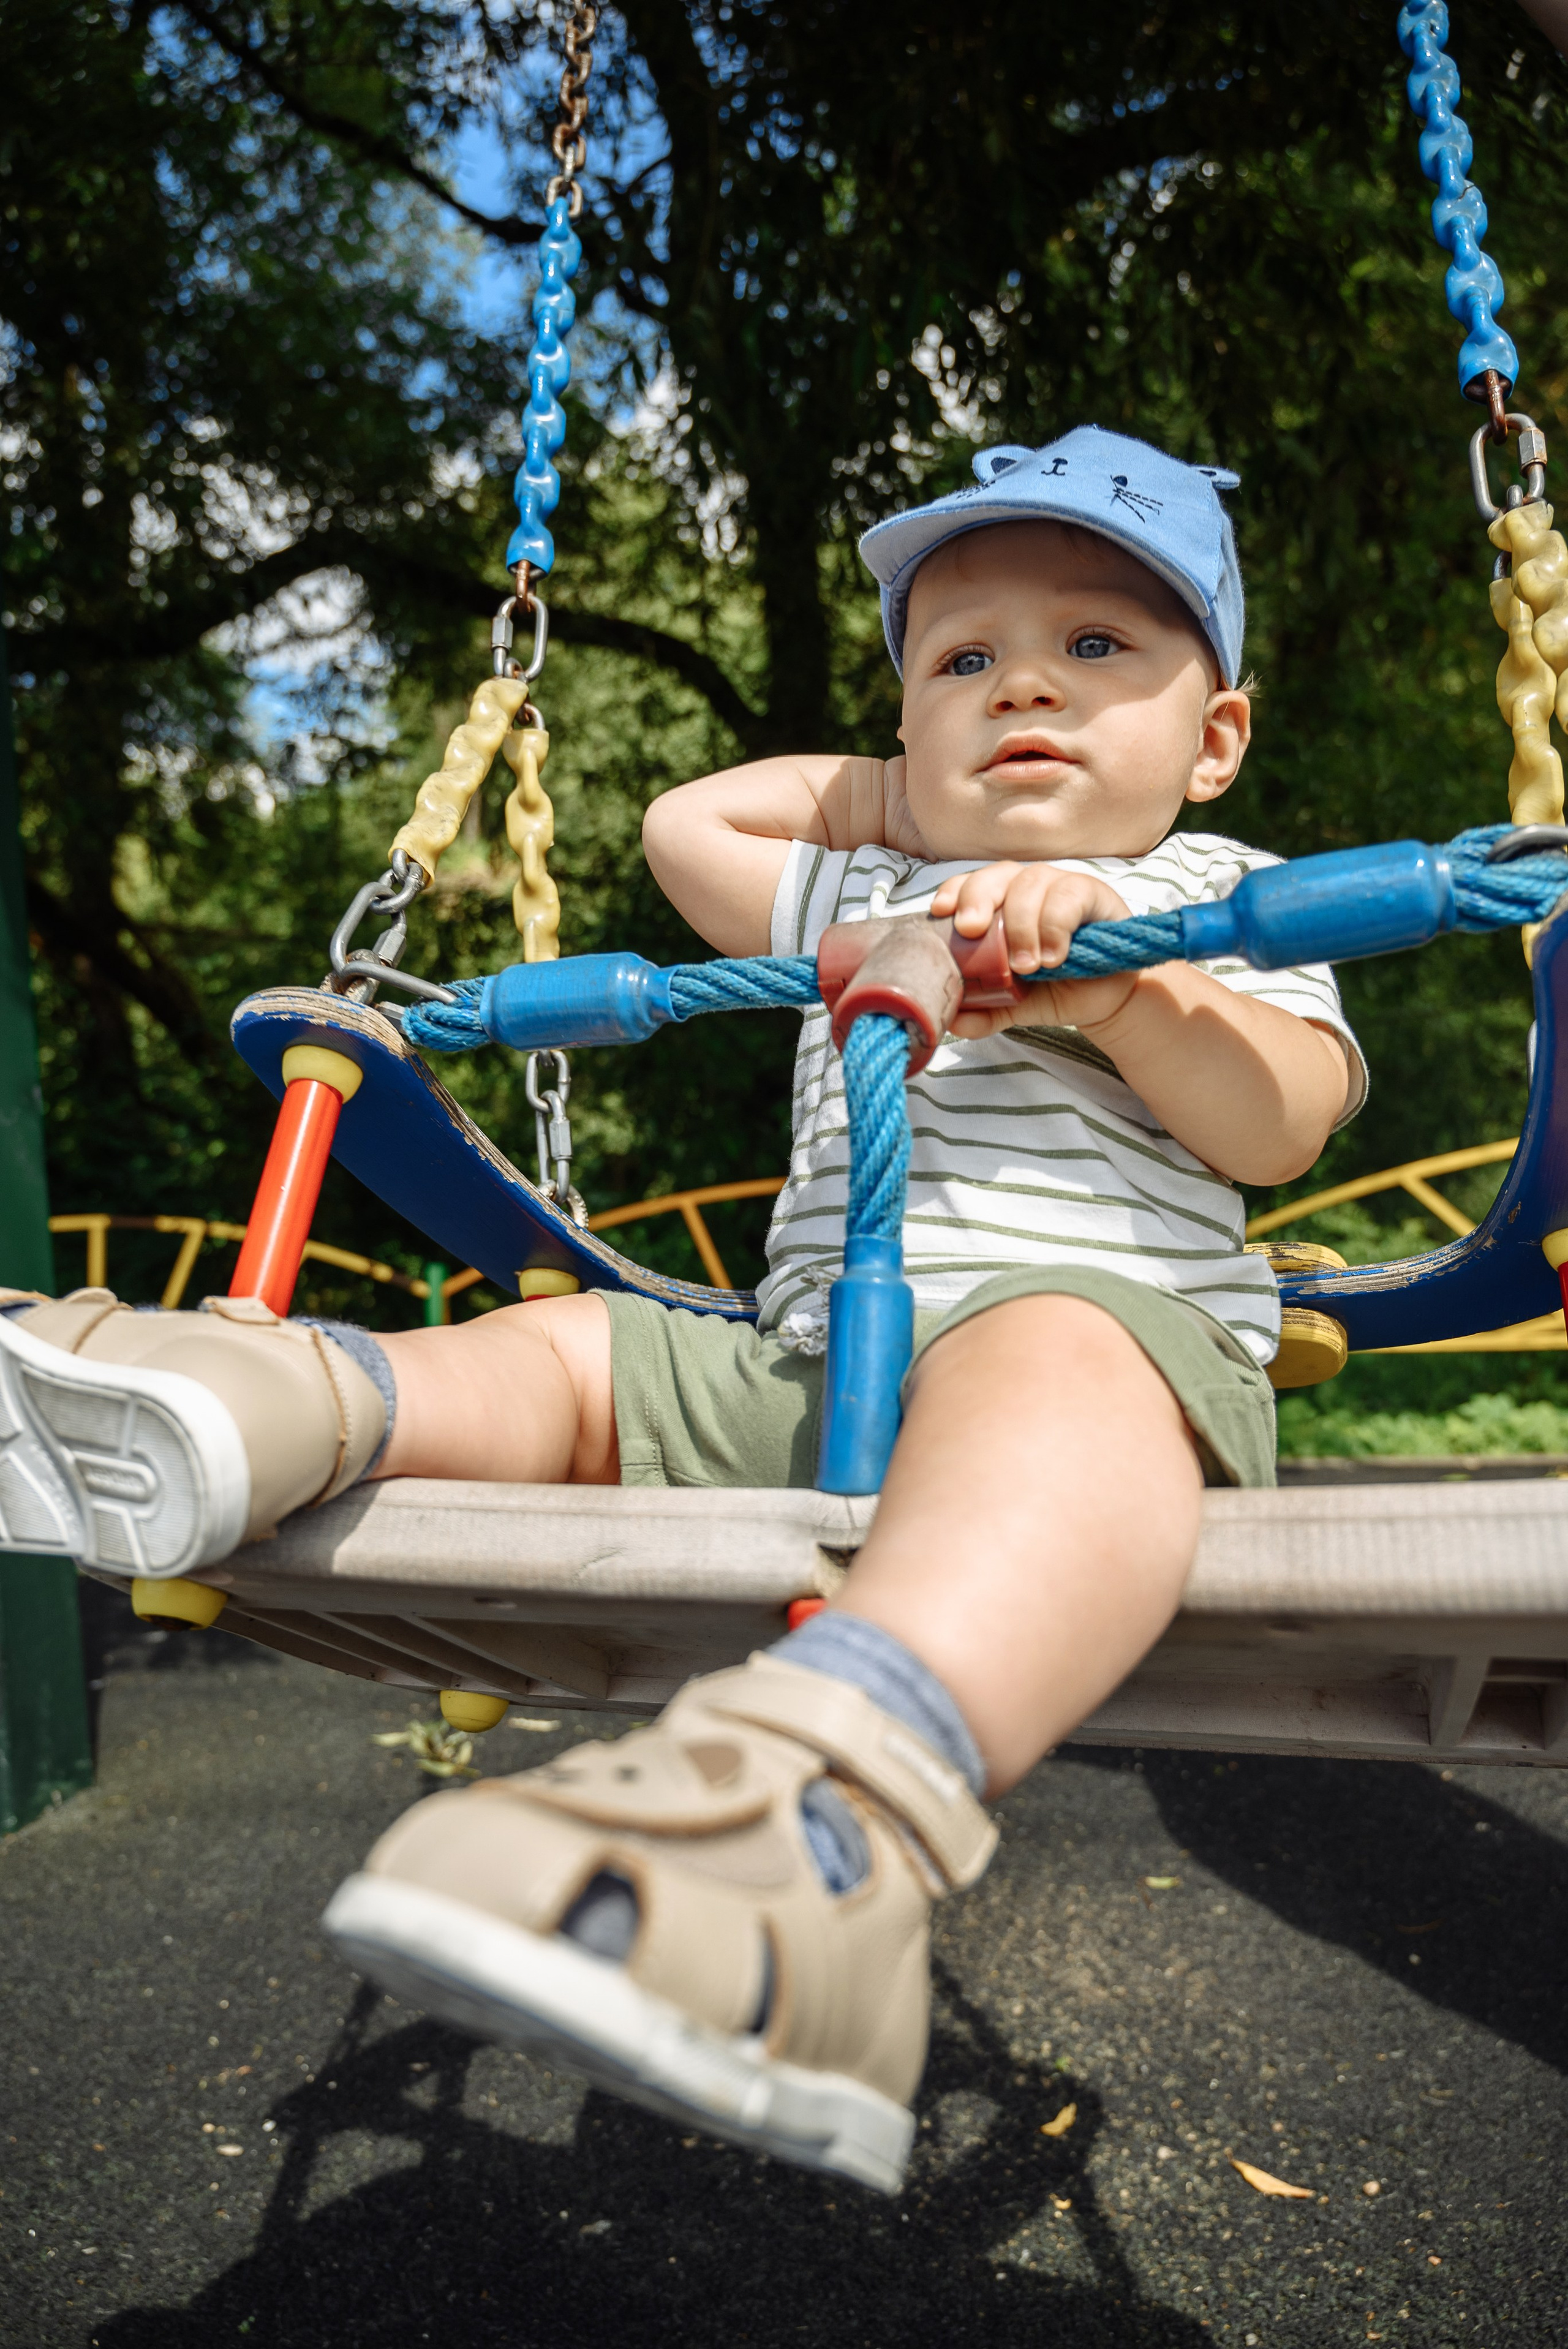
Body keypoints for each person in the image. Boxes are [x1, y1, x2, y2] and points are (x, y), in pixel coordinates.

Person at [0, 428, 1363, 2195]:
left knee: (1048, 1349)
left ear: (1218, 733)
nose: (1023, 678)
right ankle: (245, 1406)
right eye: (963, 662)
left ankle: (821, 1822)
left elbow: (1285, 1118)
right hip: (806, 1364)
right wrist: (900, 808)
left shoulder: (1224, 892)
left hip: (1097, 1369)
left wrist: (1119, 983)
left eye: (1098, 648)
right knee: (570, 1355)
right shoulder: (861, 895)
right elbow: (683, 824)